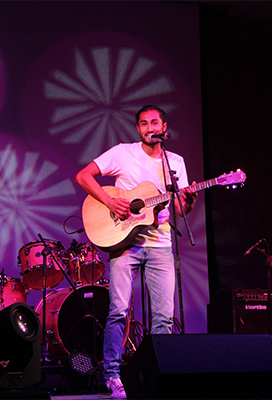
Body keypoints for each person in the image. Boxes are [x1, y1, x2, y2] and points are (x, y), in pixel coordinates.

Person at [75, 104, 197, 398]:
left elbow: (180, 208)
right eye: (143, 123)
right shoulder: (122, 153)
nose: (149, 127)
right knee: (118, 311)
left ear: (165, 128)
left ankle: (158, 374)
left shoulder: (175, 162)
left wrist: (189, 200)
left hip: (161, 245)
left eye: (154, 122)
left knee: (163, 317)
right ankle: (113, 376)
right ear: (139, 129)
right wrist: (108, 201)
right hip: (124, 243)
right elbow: (83, 176)